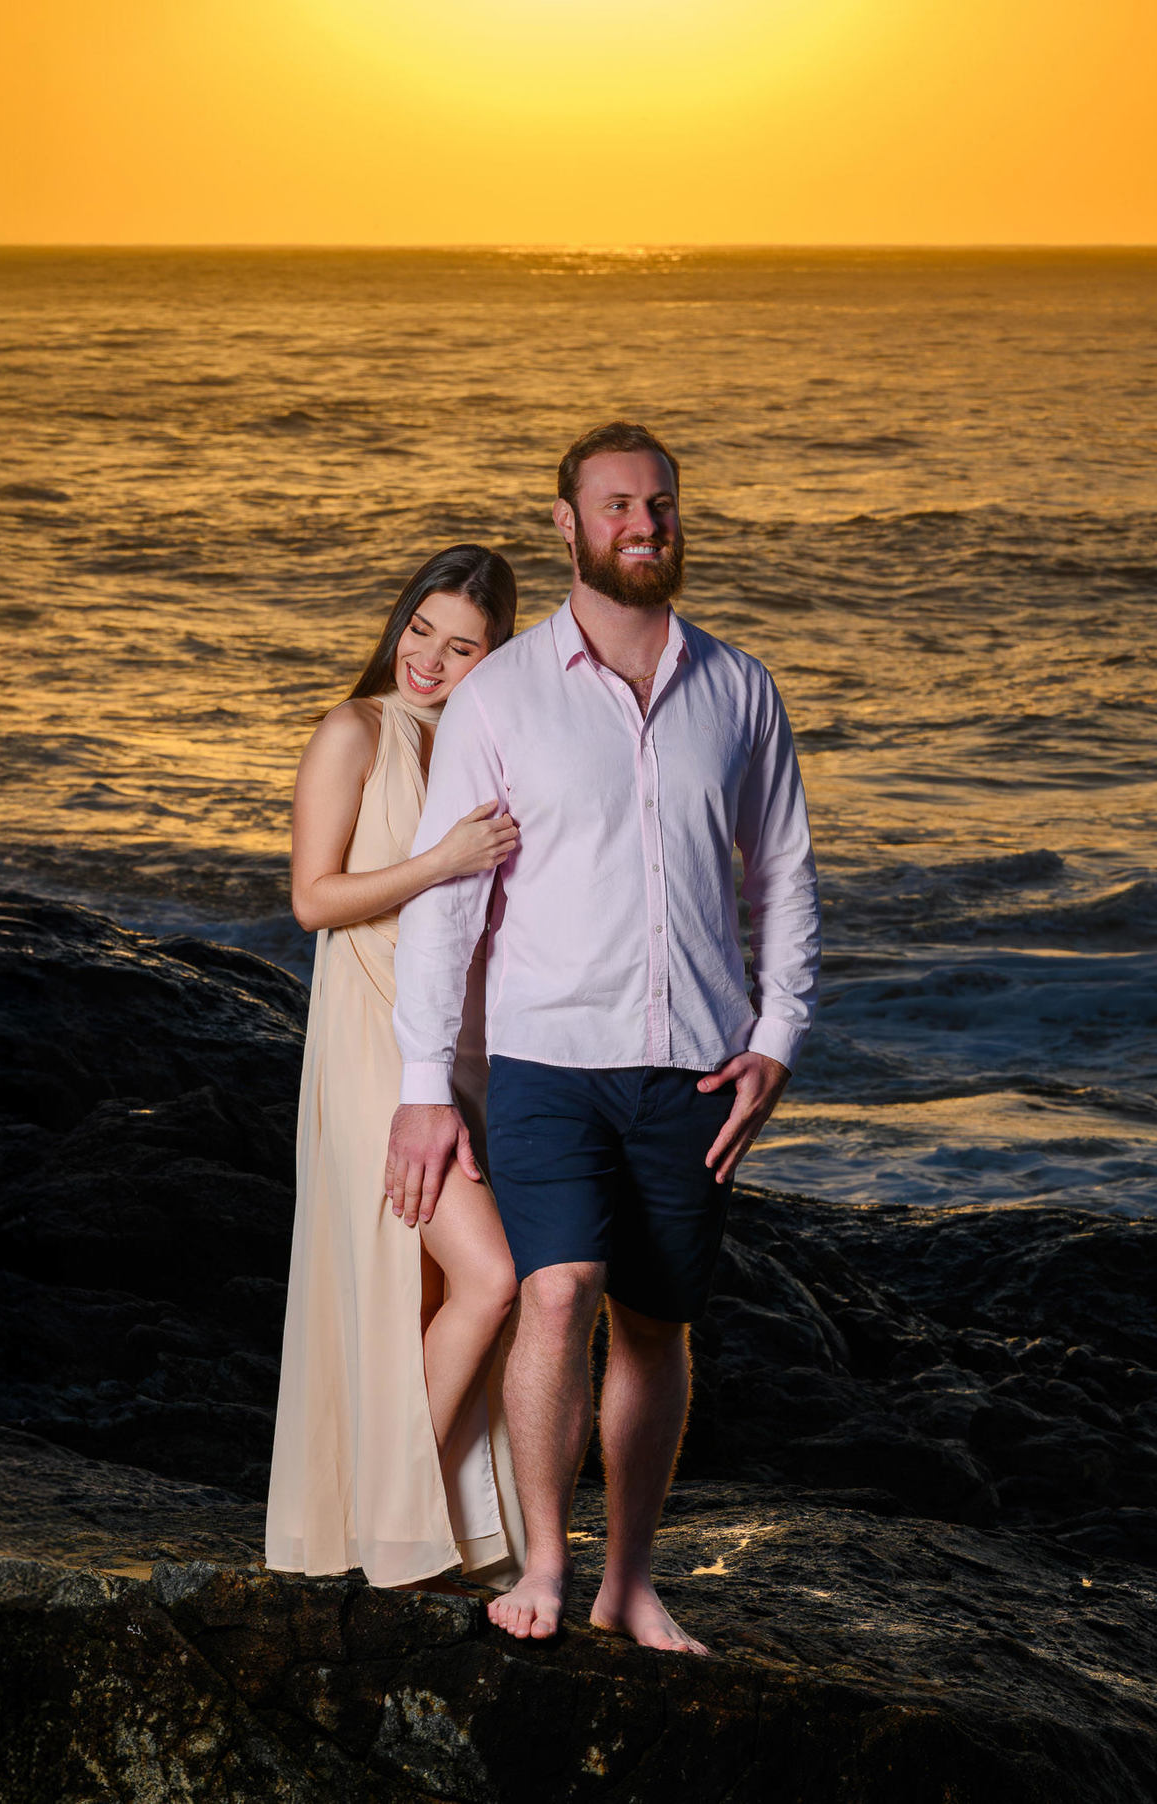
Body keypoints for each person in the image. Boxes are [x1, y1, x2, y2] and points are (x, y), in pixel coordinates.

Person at [386, 424, 821, 1654]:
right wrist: (427, 1083)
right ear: (569, 526)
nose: (645, 522)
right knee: (556, 1286)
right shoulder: (501, 693)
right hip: (541, 1058)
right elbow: (448, 900)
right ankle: (543, 1563)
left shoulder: (740, 689)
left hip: (694, 1061)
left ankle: (631, 1580)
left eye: (662, 503)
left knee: (655, 1318)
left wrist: (779, 1033)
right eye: (618, 504)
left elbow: (781, 875)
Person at [265, 543, 526, 1591]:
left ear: (495, 657)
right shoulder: (355, 729)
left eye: (461, 645)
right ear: (399, 621)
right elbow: (314, 898)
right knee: (490, 1275)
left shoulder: (486, 747)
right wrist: (441, 862)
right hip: (372, 1046)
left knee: (425, 1292)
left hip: (454, 1048)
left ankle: (424, 1525)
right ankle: (392, 1514)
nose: (428, 657)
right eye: (421, 628)